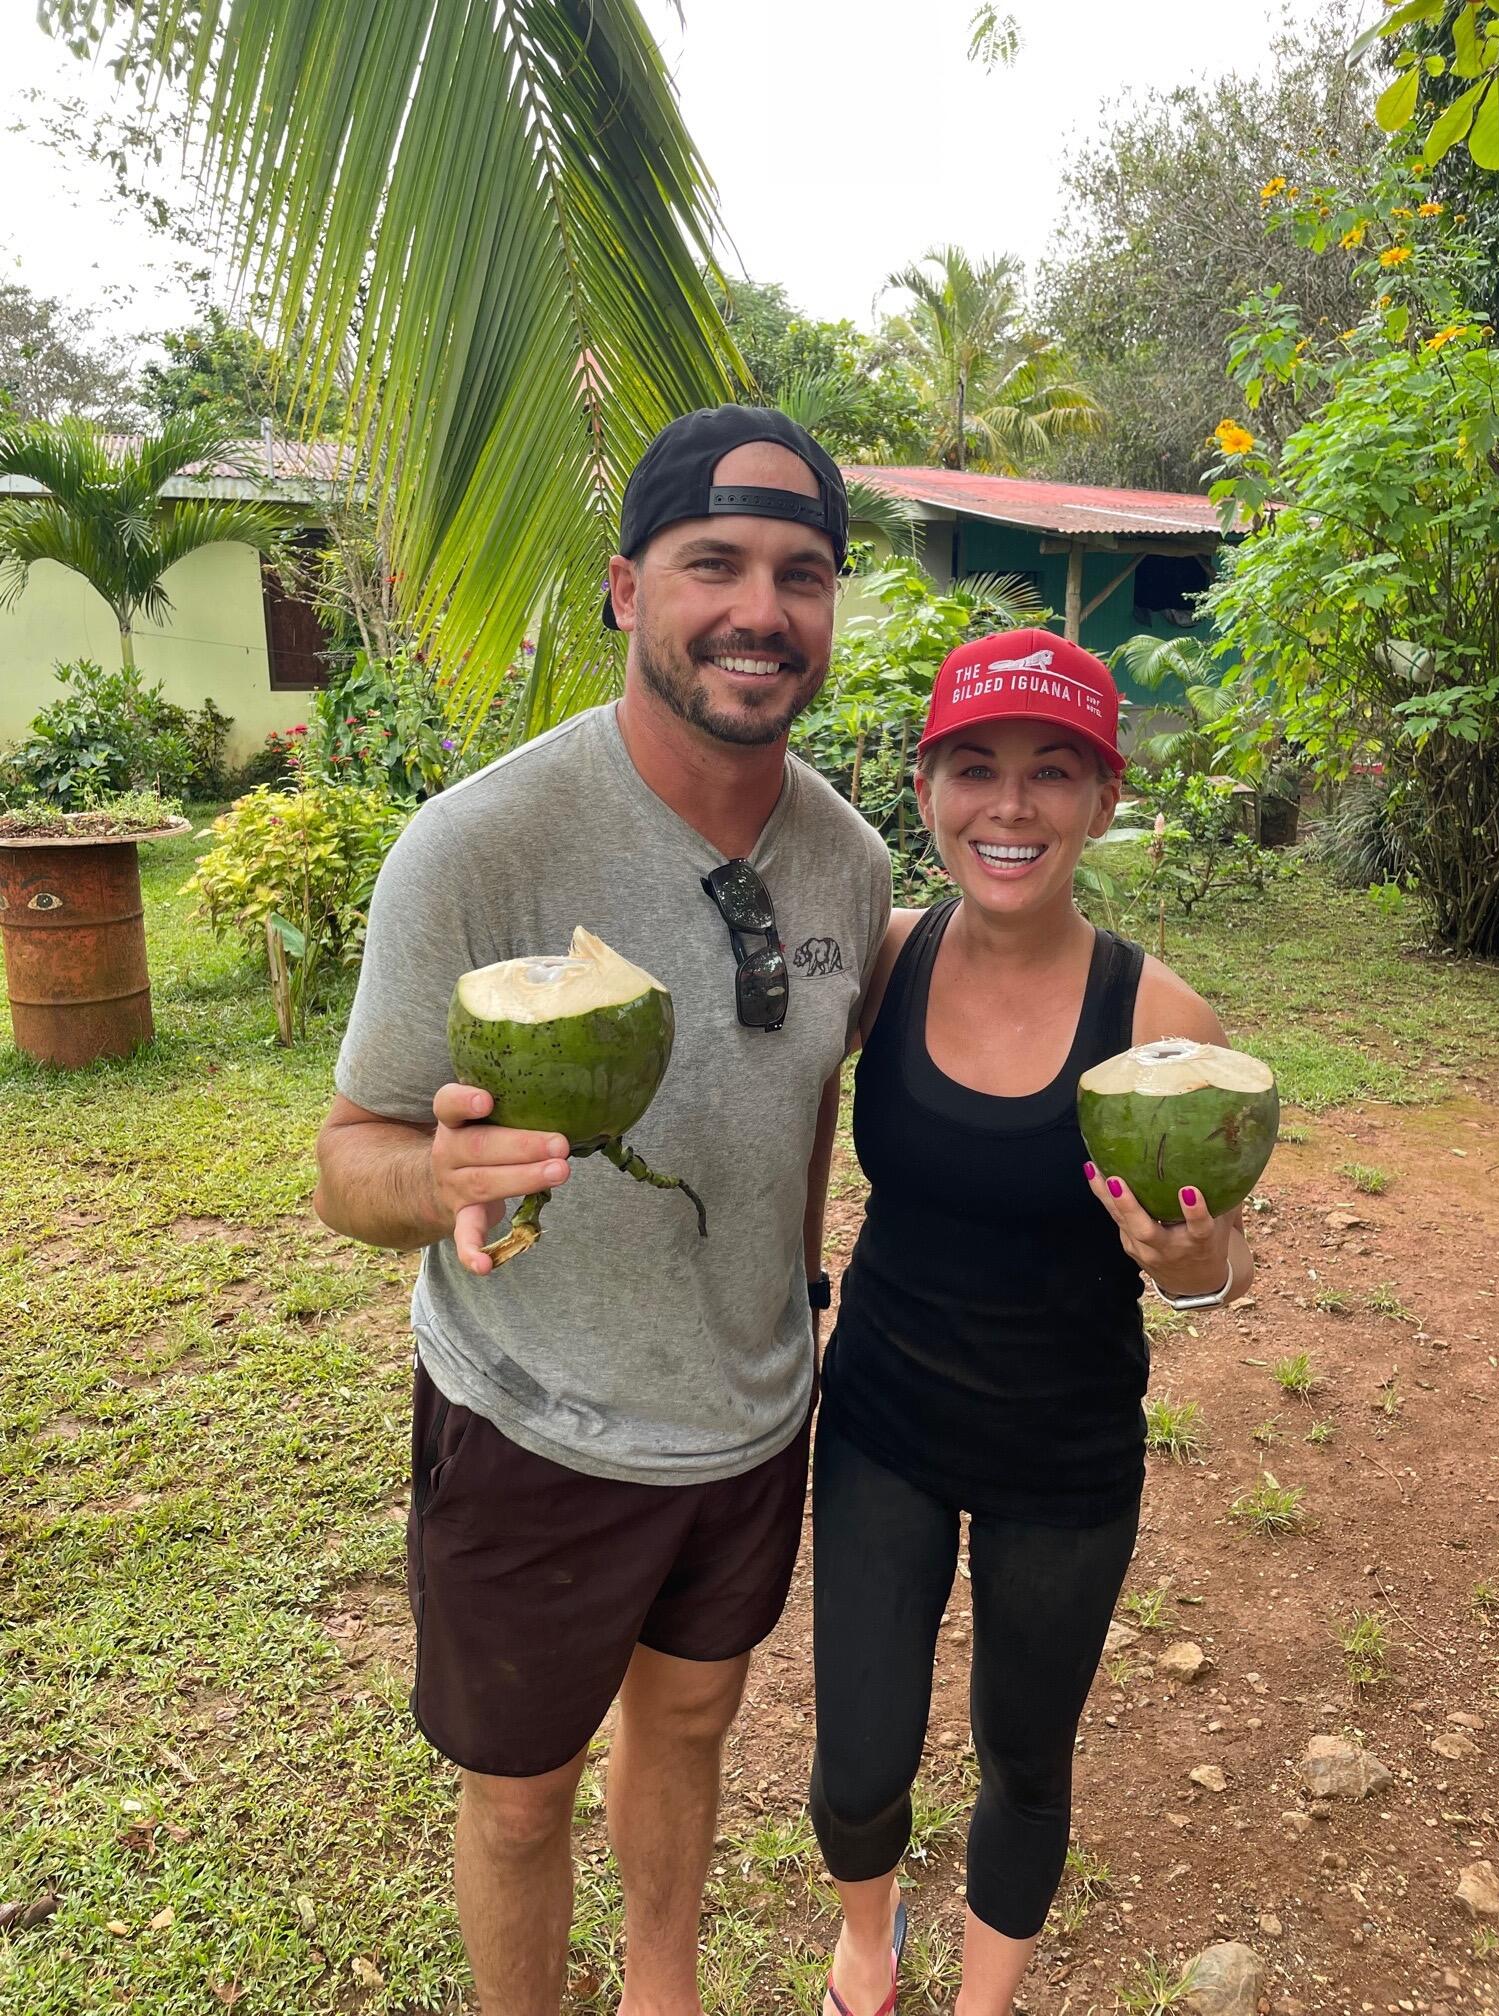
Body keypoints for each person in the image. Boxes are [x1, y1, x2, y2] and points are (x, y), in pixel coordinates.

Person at [313, 406, 892, 2016]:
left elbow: (809, 1105)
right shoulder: (483, 846)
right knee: (519, 1789)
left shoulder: (846, 861)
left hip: (751, 1421)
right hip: (537, 1427)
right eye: (715, 563)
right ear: (630, 591)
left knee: (693, 1727)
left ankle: (662, 1994)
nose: (760, 609)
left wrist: (797, 1311)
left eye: (802, 572)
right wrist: (437, 1180)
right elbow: (345, 1152)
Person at [807, 628, 1256, 2016]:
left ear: (1103, 802)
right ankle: (864, 1948)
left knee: (1025, 1750)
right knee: (863, 1750)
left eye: (1053, 773)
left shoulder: (1159, 1022)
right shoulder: (884, 965)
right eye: (977, 768)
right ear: (927, 787)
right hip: (882, 1414)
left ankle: (981, 2003)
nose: (1012, 808)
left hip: (1063, 1456)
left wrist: (1187, 1257)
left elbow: (1210, 1273)